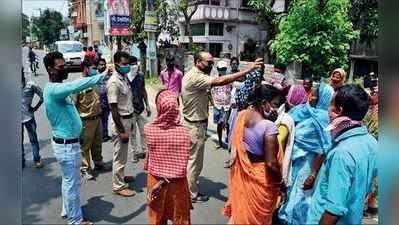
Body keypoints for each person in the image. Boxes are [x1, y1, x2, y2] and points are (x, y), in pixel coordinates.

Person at [181, 51, 263, 202]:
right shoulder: (196, 77)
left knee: (192, 161)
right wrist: (248, 70)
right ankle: (191, 194)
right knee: (194, 162)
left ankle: (189, 187)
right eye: (209, 62)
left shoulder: (192, 74)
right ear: (198, 62)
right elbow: (220, 81)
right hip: (195, 125)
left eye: (212, 62)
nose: (211, 65)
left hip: (194, 123)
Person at [43, 51, 109, 225]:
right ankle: (75, 220)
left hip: (68, 142)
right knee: (73, 184)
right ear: (50, 69)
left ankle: (68, 210)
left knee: (68, 181)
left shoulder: (58, 89)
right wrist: (101, 76)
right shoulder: (54, 89)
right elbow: (76, 86)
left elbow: (70, 114)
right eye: (61, 66)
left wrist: (78, 133)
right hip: (66, 146)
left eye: (65, 64)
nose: (65, 68)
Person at [306, 84, 377, 225]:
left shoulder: (342, 153)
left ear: (339, 111)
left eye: (330, 106)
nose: (327, 111)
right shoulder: (371, 142)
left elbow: (333, 212)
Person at [223, 85, 285, 225]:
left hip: (245, 175)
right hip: (261, 180)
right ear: (264, 103)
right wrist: (281, 184)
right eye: (275, 104)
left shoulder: (243, 115)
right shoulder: (268, 127)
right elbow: (271, 163)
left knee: (241, 215)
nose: (277, 109)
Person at [278, 82, 334, 225]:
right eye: (311, 94)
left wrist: (313, 174)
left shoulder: (324, 118)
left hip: (309, 164)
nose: (312, 97)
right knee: (289, 191)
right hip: (291, 159)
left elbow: (324, 149)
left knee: (301, 198)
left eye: (316, 95)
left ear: (324, 98)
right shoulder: (301, 110)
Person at [144, 90, 191, 225]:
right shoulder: (184, 132)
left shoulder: (149, 129)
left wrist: (161, 181)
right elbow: (182, 164)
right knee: (180, 218)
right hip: (178, 184)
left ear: (159, 107)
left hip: (155, 182)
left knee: (157, 218)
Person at [73, 59, 110, 180]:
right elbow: (73, 105)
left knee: (97, 143)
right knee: (84, 147)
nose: (95, 70)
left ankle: (98, 163)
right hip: (85, 120)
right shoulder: (78, 84)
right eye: (93, 68)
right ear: (85, 69)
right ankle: (85, 169)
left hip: (97, 118)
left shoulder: (93, 82)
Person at [107, 51, 136, 197]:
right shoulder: (114, 82)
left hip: (128, 119)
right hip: (120, 122)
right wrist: (122, 131)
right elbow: (113, 109)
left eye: (128, 64)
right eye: (124, 64)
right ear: (117, 64)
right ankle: (118, 186)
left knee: (123, 154)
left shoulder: (123, 78)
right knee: (119, 155)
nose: (127, 67)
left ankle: (121, 177)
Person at [127, 55, 151, 163]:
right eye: (132, 64)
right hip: (130, 110)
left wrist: (147, 105)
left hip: (141, 108)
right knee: (132, 133)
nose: (134, 66)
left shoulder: (140, 75)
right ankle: (134, 153)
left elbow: (143, 90)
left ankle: (146, 151)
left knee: (144, 131)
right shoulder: (125, 77)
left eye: (135, 64)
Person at [21, 67, 44, 168]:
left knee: (33, 139)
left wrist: (35, 108)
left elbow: (43, 96)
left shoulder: (31, 84)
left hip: (29, 117)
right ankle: (21, 161)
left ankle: (37, 159)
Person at [211, 61, 233, 149]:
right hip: (217, 105)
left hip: (227, 105)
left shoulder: (229, 79)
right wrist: (212, 102)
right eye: (220, 69)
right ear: (217, 69)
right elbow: (210, 90)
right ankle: (220, 141)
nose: (222, 71)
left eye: (224, 69)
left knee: (227, 124)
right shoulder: (215, 79)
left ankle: (228, 140)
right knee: (219, 124)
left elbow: (232, 90)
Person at [96, 58, 112, 142]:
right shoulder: (95, 77)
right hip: (98, 102)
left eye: (104, 64)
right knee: (99, 120)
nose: (103, 66)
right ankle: (99, 136)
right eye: (101, 64)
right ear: (97, 66)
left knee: (105, 119)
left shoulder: (109, 76)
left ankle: (105, 135)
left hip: (107, 101)